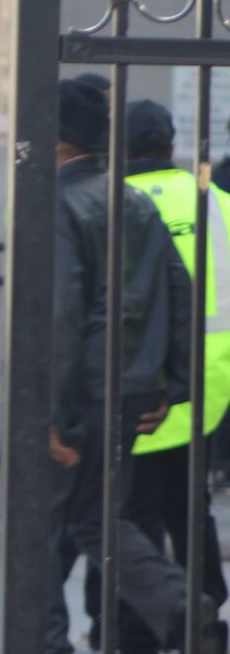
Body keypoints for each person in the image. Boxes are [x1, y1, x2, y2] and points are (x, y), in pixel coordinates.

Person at [45, 79, 217, 654]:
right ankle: (182, 608)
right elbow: (181, 291)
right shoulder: (134, 201)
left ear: (59, 140)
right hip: (132, 390)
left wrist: (51, 411)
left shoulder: (59, 203)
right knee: (96, 519)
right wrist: (173, 385)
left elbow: (64, 314)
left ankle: (45, 641)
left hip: (81, 392)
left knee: (43, 526)